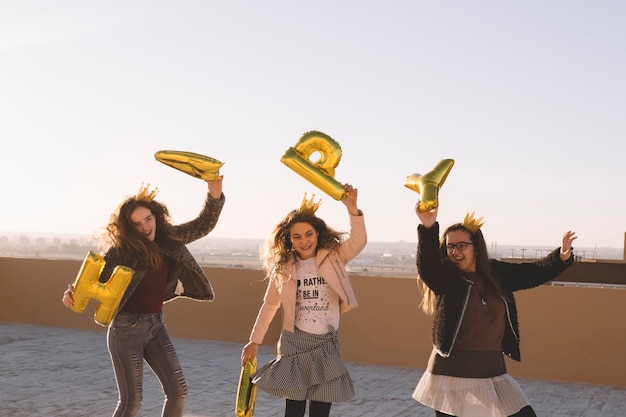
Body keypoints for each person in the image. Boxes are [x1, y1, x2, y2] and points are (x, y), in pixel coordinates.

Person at [61, 178, 225, 417]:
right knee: (132, 402)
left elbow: (202, 225)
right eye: (137, 224)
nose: (145, 227)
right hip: (126, 329)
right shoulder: (120, 253)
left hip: (156, 325)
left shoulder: (169, 241)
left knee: (178, 392)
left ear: (156, 217)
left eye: (148, 219)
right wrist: (72, 294)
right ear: (128, 228)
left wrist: (214, 196)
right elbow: (92, 284)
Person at [411, 204, 576, 417]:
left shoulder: (496, 273)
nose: (455, 251)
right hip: (451, 372)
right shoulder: (447, 277)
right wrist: (427, 226)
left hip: (492, 370)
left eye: (462, 245)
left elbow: (532, 273)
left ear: (476, 247)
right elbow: (428, 267)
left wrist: (561, 257)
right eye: (450, 246)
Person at [241, 184, 366, 417]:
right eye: (296, 236)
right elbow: (270, 305)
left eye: (309, 234)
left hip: (326, 344)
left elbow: (358, 241)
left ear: (318, 233)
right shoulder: (284, 268)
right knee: (294, 411)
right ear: (289, 239)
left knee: (320, 411)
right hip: (294, 344)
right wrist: (253, 341)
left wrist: (352, 208)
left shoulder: (335, 257)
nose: (304, 241)